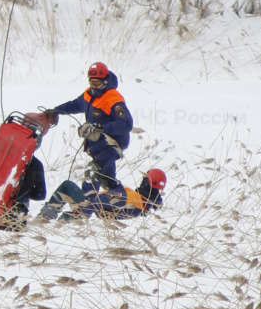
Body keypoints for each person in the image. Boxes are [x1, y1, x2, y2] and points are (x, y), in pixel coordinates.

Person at [45, 62, 133, 191]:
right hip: (97, 145)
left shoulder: (113, 98)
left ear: (105, 81)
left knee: (91, 173)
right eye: (91, 82)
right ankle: (121, 205)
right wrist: (57, 110)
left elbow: (126, 124)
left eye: (97, 83)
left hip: (112, 146)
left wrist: (102, 128)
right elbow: (75, 105)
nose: (93, 86)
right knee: (108, 181)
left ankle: (85, 207)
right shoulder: (89, 94)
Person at [38, 168, 166, 222]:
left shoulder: (131, 197)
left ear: (145, 183)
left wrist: (79, 213)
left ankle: (44, 217)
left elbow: (99, 202)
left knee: (67, 185)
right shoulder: (145, 204)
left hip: (87, 208)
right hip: (93, 209)